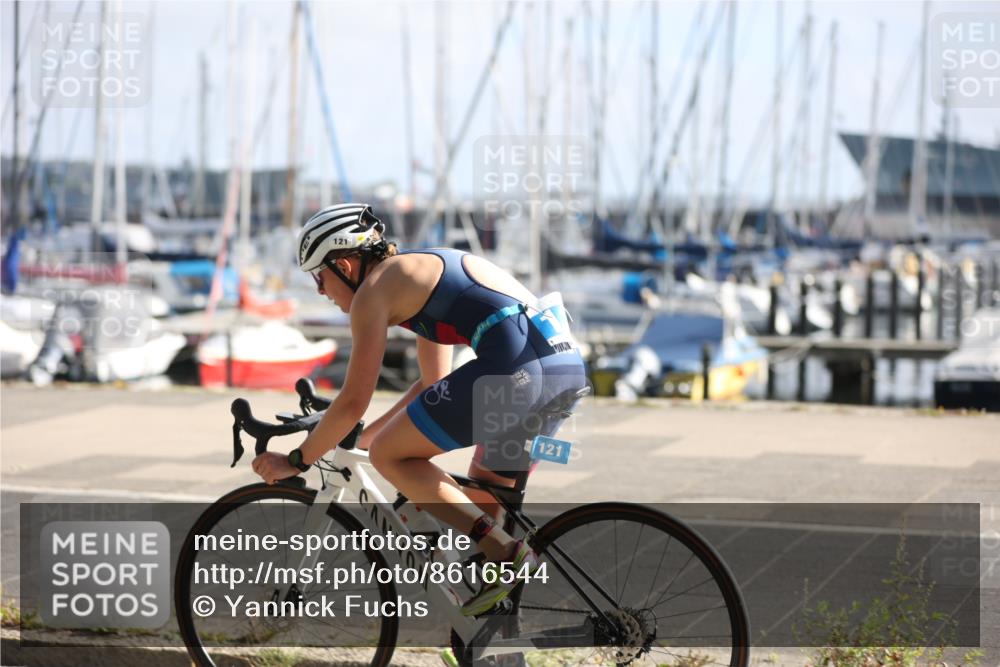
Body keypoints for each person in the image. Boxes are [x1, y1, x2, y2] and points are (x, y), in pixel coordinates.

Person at [252, 203, 587, 616]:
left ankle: (507, 552)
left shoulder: (372, 294)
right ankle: (490, 641)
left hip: (518, 372)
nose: (321, 290)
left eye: (319, 277)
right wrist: (360, 437)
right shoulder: (420, 273)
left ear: (344, 265)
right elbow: (432, 385)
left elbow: (354, 400)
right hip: (562, 367)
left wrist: (299, 459)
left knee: (392, 457)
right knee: (480, 502)